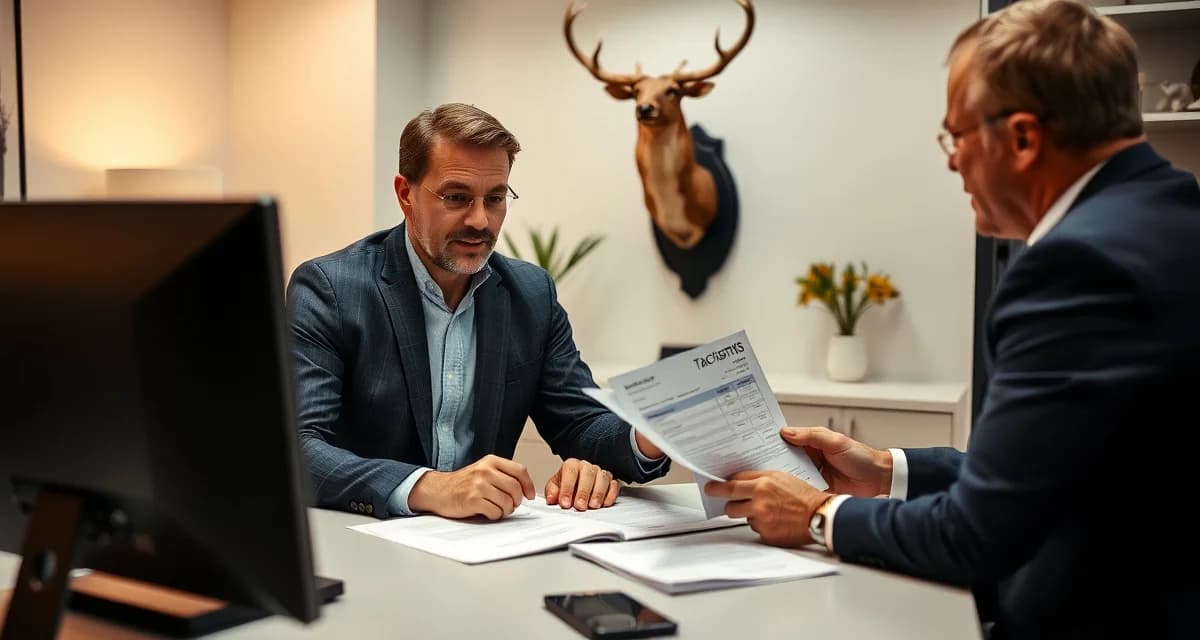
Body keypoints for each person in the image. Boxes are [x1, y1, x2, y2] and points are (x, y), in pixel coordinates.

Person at [704, 1, 1200, 637]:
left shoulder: (1077, 267)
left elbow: (977, 535)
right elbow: (1063, 473)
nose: (951, 161)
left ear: (1021, 137)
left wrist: (821, 513)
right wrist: (888, 468)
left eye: (956, 136)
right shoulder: (1171, 212)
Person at [288, 103, 669, 521]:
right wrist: (428, 486)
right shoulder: (331, 289)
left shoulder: (531, 294)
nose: (480, 220)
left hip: (484, 550)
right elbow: (300, 449)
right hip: (364, 542)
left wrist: (656, 432)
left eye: (496, 198)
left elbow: (580, 424)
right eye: (456, 197)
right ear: (405, 194)